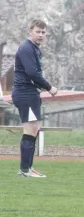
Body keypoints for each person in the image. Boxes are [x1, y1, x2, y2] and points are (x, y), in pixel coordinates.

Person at [12, 19, 58, 178]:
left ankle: (28, 168)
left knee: (34, 129)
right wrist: (49, 87)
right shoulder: (26, 48)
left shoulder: (34, 49)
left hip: (30, 93)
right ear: (30, 31)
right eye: (38, 32)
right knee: (30, 130)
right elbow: (32, 73)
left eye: (43, 32)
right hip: (25, 93)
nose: (41, 35)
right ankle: (25, 170)